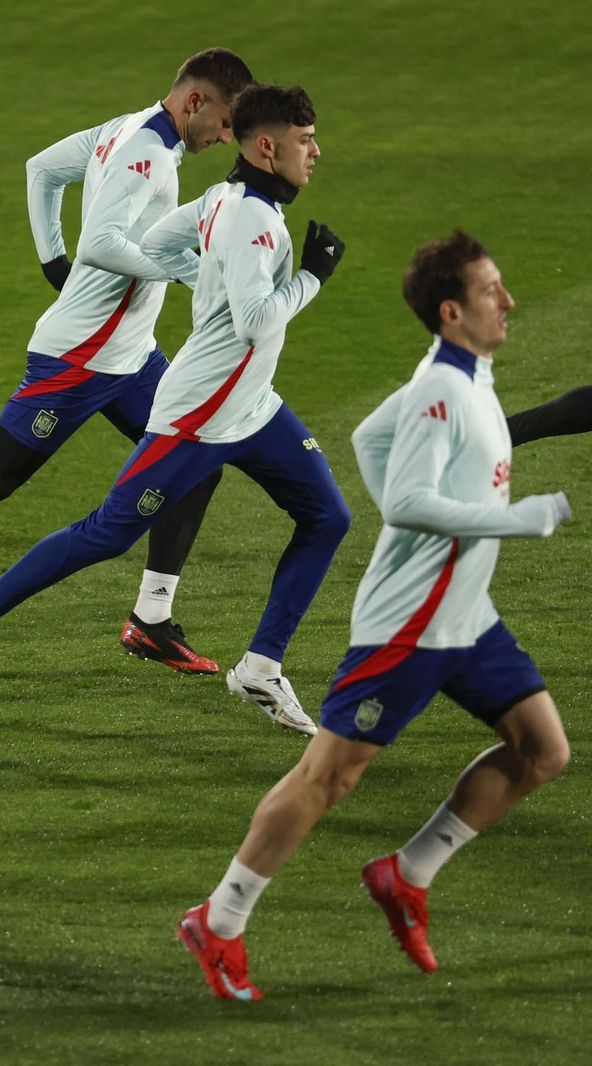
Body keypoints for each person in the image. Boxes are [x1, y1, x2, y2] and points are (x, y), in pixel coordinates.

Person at [178, 231, 574, 1000]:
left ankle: (407, 873)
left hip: (466, 614)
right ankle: (218, 920)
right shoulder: (442, 391)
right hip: (411, 621)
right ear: (453, 311)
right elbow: (407, 502)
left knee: (541, 750)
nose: (508, 300)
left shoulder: (463, 377)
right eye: (492, 291)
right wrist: (515, 520)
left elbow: (369, 435)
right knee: (328, 777)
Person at [0, 84, 349, 736]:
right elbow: (255, 322)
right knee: (107, 533)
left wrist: (202, 275)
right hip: (198, 416)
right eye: (305, 141)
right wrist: (313, 276)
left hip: (252, 407)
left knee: (327, 516)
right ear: (268, 147)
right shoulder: (254, 221)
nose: (315, 152)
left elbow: (154, 241)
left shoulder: (223, 197)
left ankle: (261, 666)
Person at [0, 48, 254, 672]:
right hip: (79, 358)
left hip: (132, 358)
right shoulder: (145, 152)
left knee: (196, 463)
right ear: (195, 101)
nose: (225, 137)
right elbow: (103, 244)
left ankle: (151, 619)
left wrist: (50, 259)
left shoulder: (127, 128)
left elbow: (42, 170)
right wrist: (189, 272)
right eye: (223, 122)